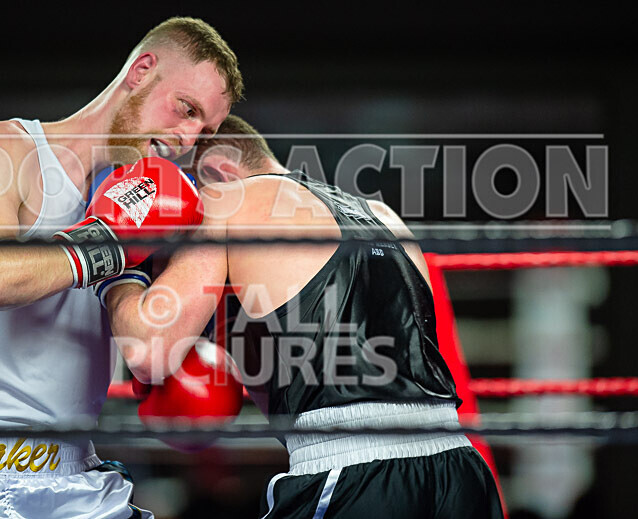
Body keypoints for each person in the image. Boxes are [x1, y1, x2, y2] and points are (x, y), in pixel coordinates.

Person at [0, 17, 242, 519]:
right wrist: (108, 242)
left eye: (204, 130)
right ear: (141, 70)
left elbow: (149, 352)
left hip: (77, 480)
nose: (186, 138)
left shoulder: (147, 206)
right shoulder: (6, 149)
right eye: (186, 110)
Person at [103, 115, 504, 518]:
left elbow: (148, 351)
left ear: (216, 171)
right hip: (460, 469)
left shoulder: (225, 200)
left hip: (351, 473)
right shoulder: (384, 216)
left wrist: (124, 265)